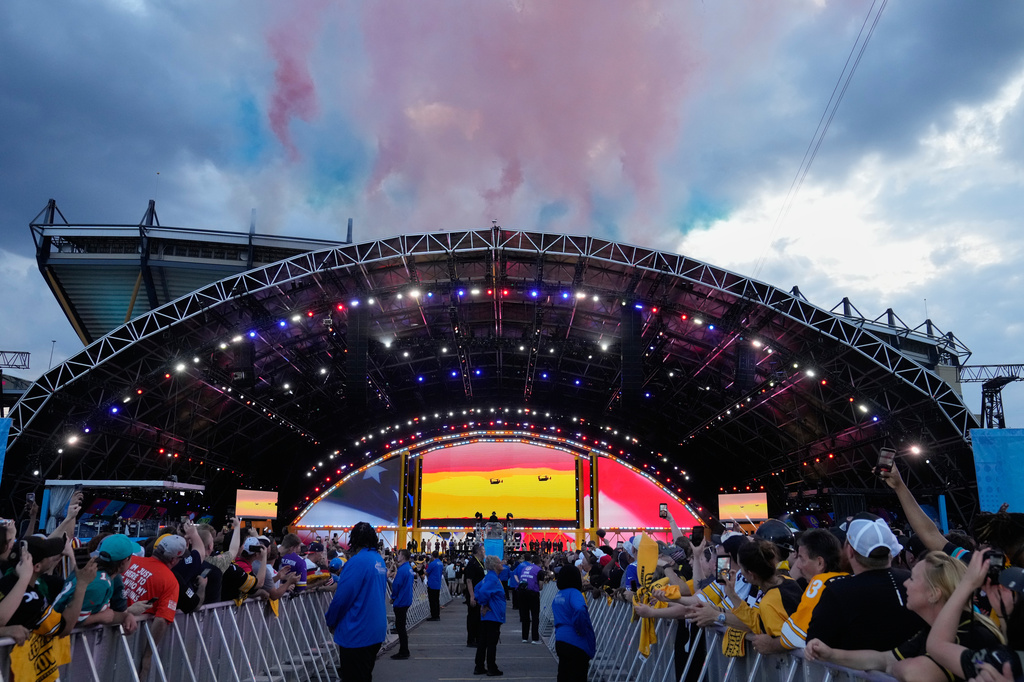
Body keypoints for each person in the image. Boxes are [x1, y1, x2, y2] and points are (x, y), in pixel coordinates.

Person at [807, 551, 1007, 681]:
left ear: (933, 593)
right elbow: (884, 660)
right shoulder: (933, 629)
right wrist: (830, 654)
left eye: (912, 578)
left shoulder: (968, 633)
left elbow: (914, 672)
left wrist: (899, 668)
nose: (905, 584)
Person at [806, 514, 925, 651]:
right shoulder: (912, 580)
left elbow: (815, 643)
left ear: (850, 551)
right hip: (914, 670)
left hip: (856, 670)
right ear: (891, 552)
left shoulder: (838, 591)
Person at [325, 522, 387, 682]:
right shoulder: (379, 560)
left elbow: (342, 598)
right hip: (375, 630)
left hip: (357, 631)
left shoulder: (357, 562)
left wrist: (330, 620)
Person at [552, 565, 596, 681]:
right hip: (576, 641)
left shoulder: (559, 595)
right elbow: (580, 609)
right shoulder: (574, 593)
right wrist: (581, 628)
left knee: (563, 674)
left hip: (561, 639)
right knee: (578, 675)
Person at [474, 555, 507, 677]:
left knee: (483, 641)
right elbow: (481, 592)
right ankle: (492, 667)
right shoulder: (492, 579)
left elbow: (477, 589)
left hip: (489, 615)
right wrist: (484, 603)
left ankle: (479, 666)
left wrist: (482, 603)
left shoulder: (488, 578)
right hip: (493, 615)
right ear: (494, 565)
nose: (502, 563)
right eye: (499, 562)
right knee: (491, 643)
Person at [514, 553, 543, 643]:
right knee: (535, 616)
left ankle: (524, 637)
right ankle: (535, 638)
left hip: (522, 592)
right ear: (539, 562)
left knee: (525, 616)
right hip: (532, 593)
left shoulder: (524, 568)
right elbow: (541, 586)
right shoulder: (539, 570)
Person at [390, 549, 413, 660]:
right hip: (406, 599)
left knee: (400, 627)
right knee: (401, 626)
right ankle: (404, 649)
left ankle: (404, 650)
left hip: (401, 600)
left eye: (399, 555)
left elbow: (396, 585)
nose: (397, 556)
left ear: (403, 556)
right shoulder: (408, 569)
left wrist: (393, 597)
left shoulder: (402, 570)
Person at [464, 543, 486, 648]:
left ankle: (478, 637)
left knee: (478, 617)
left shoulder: (481, 563)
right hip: (474, 595)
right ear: (478, 551)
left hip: (480, 595)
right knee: (473, 617)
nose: (484, 551)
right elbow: (469, 581)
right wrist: (472, 596)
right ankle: (471, 639)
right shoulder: (472, 563)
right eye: (483, 550)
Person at [426, 550, 443, 620]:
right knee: (436, 600)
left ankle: (434, 615)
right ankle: (437, 615)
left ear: (432, 556)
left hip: (432, 584)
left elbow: (427, 572)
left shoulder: (432, 564)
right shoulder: (440, 563)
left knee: (432, 601)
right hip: (438, 583)